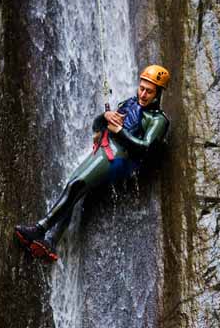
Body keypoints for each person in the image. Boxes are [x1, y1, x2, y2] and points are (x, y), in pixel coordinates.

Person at [14, 64, 171, 262]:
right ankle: (51, 242)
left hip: (119, 159)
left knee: (76, 185)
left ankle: (39, 229)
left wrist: (119, 132)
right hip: (105, 150)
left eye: (149, 91)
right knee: (73, 189)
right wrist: (103, 117)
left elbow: (146, 147)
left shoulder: (157, 120)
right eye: (141, 88)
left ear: (158, 93)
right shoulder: (128, 103)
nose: (143, 94)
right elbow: (99, 125)